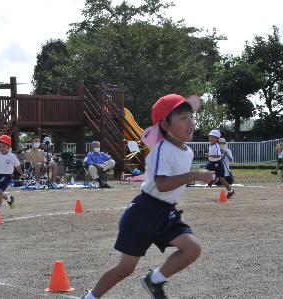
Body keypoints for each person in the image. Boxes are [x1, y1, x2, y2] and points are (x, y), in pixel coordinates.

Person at [81, 94, 214, 299]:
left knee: (192, 248)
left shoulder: (187, 151)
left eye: (191, 117)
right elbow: (162, 184)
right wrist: (195, 175)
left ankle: (155, 280)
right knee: (125, 269)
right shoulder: (161, 149)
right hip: (144, 212)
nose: (191, 123)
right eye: (183, 118)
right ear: (165, 125)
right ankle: (89, 298)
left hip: (165, 211)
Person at [205, 130, 235, 198]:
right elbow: (221, 142)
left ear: (217, 139)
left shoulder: (216, 146)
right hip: (211, 162)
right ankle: (214, 178)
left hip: (217, 163)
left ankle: (231, 191)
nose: (210, 138)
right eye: (210, 137)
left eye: (213, 137)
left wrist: (209, 155)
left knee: (222, 179)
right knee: (205, 172)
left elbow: (219, 156)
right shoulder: (212, 144)